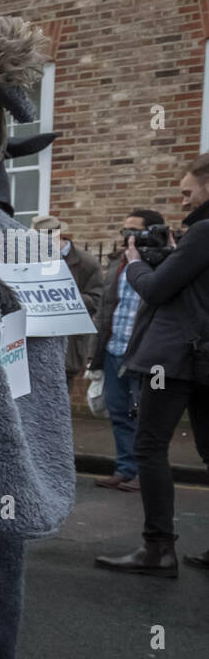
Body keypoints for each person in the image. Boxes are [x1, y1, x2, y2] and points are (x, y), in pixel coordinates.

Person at [97, 154, 209, 576]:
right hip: (203, 358)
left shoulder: (203, 232)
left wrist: (136, 263)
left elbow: (157, 290)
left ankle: (158, 550)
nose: (183, 201)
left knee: (149, 447)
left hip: (175, 359)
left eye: (187, 191)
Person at [88, 209, 166, 492]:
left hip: (143, 354)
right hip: (113, 348)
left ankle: (143, 474)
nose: (127, 237)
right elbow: (107, 306)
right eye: (125, 231)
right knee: (119, 413)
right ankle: (125, 469)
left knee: (144, 418)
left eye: (134, 231)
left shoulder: (162, 264)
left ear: (149, 233)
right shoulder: (117, 262)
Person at [31, 214, 103, 387]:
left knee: (61, 401)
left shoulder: (87, 263)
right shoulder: (31, 260)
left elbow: (96, 300)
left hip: (68, 346)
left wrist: (61, 297)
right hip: (35, 342)